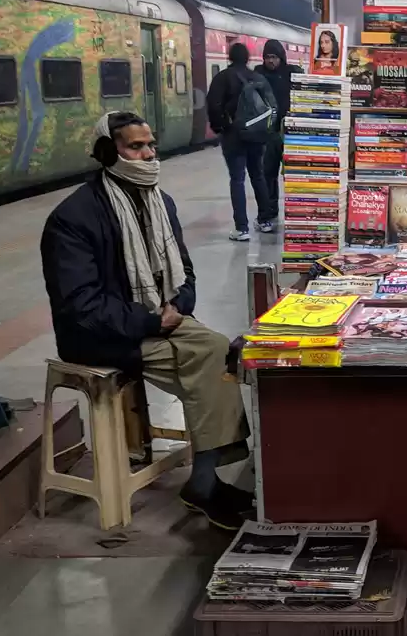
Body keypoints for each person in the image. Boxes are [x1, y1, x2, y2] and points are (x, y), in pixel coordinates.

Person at [40, 111, 251, 530]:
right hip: (99, 336)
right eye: (136, 147)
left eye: (150, 145)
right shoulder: (73, 218)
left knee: (222, 353)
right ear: (107, 153)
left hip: (160, 320)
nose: (149, 154)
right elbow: (81, 306)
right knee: (210, 361)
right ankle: (205, 485)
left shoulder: (161, 202)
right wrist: (153, 322)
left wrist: (178, 306)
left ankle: (207, 480)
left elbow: (185, 274)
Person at [207, 42, 277, 240]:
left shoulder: (222, 78)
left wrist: (220, 127)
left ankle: (242, 228)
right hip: (257, 135)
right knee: (258, 176)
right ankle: (265, 221)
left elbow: (213, 105)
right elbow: (272, 106)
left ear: (229, 57)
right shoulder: (257, 77)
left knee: (237, 179)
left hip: (234, 136)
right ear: (248, 58)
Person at [254, 39, 302, 208]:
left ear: (281, 57)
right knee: (268, 174)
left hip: (289, 131)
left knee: (294, 174)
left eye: (274, 57)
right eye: (267, 57)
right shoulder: (258, 74)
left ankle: (295, 208)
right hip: (268, 133)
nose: (271, 61)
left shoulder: (291, 73)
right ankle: (270, 210)